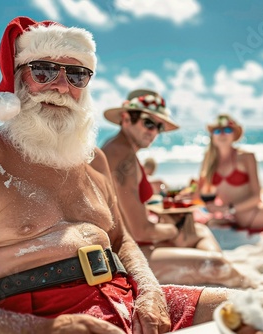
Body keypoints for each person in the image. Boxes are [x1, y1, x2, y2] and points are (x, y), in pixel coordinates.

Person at [0, 17, 237, 334]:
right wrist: (48, 329)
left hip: (126, 300)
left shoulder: (93, 160)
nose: (60, 86)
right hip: (33, 317)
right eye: (43, 71)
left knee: (257, 313)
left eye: (76, 75)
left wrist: (150, 291)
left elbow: (121, 239)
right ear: (17, 79)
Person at [101, 89, 251, 288]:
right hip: (124, 256)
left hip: (126, 246)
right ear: (126, 118)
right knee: (217, 265)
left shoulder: (117, 149)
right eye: (148, 123)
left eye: (159, 127)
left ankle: (214, 282)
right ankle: (242, 288)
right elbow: (141, 231)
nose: (153, 132)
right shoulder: (124, 157)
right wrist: (174, 229)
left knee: (198, 230)